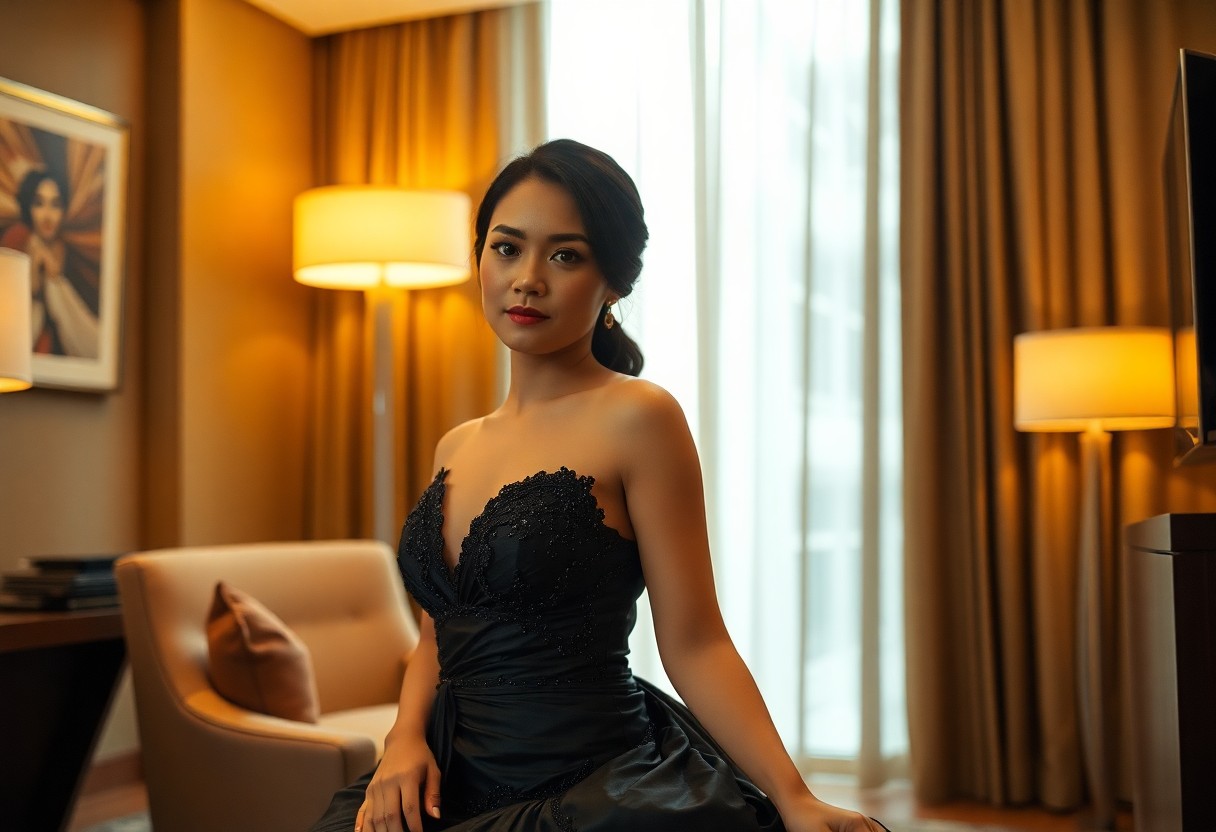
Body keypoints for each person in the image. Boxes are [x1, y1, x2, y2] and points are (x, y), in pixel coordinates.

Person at [310, 139, 888, 832]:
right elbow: (436, 639)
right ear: (481, 261)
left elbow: (696, 640)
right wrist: (402, 740)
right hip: (441, 773)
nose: (527, 279)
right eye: (506, 248)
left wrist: (794, 796)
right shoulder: (455, 444)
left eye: (565, 255)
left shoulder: (640, 417)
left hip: (589, 784)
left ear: (612, 282)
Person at [0, 168, 100, 358]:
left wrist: (54, 279)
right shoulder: (17, 239)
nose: (47, 215)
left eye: (55, 205)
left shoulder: (68, 252)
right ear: (28, 206)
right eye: (39, 203)